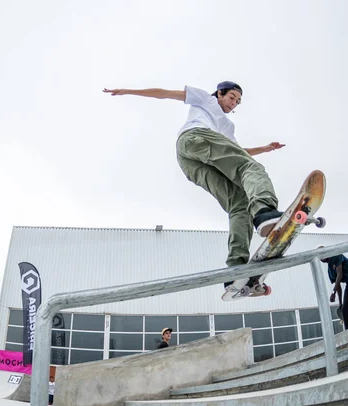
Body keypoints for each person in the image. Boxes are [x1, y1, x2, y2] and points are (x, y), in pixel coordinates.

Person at [103, 82, 285, 283]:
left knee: (239, 204)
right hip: (196, 136)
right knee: (252, 168)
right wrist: (128, 91)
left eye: (238, 102)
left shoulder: (227, 126)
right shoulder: (206, 99)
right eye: (232, 97)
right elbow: (164, 93)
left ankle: (236, 271)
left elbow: (238, 152)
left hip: (189, 160)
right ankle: (264, 211)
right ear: (220, 93)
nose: (234, 104)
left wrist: (265, 148)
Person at [319, 250, 348, 329]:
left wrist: (333, 292)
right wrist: (340, 303)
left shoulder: (336, 255)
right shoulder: (330, 271)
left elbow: (340, 274)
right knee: (345, 309)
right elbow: (338, 286)